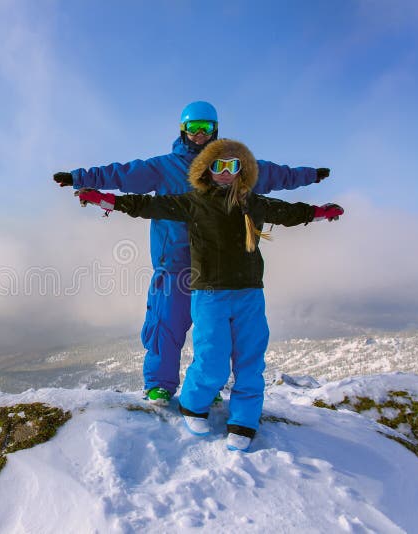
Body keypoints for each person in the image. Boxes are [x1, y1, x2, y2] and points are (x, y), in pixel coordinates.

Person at [54, 101, 330, 406]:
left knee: (212, 333)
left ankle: (205, 388)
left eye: (206, 128)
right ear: (183, 130)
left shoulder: (229, 166)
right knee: (166, 322)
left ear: (216, 130)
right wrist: (80, 178)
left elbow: (274, 175)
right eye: (194, 128)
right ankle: (159, 385)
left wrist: (310, 175)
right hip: (175, 261)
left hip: (215, 266)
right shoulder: (163, 167)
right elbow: (121, 175)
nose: (200, 134)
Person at [74, 139, 343, 451]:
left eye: (233, 166)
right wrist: (105, 200)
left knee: (250, 360)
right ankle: (193, 403)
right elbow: (146, 205)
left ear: (243, 171)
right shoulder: (194, 201)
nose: (226, 172)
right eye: (218, 166)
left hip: (250, 293)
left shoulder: (253, 202)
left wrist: (320, 213)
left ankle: (244, 420)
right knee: (212, 358)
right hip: (210, 293)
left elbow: (289, 212)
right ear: (207, 170)